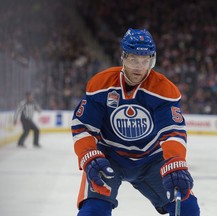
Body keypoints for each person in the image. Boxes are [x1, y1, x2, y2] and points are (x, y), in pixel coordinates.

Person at [71, 28, 200, 216]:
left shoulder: (164, 90)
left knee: (188, 209)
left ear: (152, 60)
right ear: (123, 58)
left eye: (144, 60)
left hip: (152, 160)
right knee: (93, 211)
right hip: (110, 158)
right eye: (133, 59)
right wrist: (89, 154)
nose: (139, 66)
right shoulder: (101, 84)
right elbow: (83, 126)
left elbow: (173, 131)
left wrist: (175, 161)